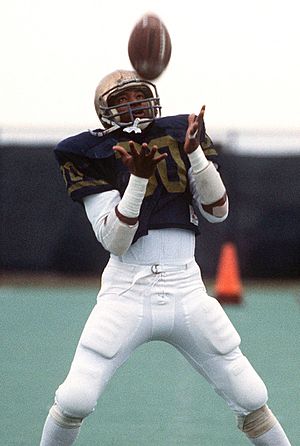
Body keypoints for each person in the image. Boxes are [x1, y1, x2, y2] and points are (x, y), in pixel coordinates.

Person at [40, 70, 291, 445]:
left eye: (138, 95)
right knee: (76, 398)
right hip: (127, 291)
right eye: (121, 101)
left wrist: (195, 156)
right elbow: (115, 239)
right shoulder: (88, 151)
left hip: (185, 288)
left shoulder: (179, 133)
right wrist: (138, 179)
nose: (133, 105)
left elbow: (218, 211)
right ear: (104, 112)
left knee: (251, 396)